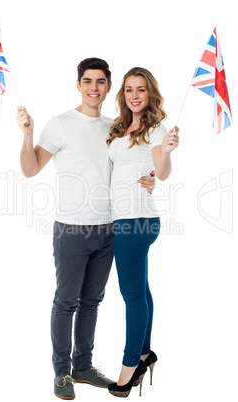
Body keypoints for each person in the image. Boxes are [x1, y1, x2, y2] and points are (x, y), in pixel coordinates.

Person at [16, 58, 156, 400]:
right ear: (78, 85)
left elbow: (130, 165)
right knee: (66, 302)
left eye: (101, 82)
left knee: (92, 300)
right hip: (71, 229)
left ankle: (83, 365)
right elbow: (31, 169)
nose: (94, 87)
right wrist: (28, 134)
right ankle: (62, 372)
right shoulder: (60, 124)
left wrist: (149, 178)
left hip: (109, 228)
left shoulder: (115, 129)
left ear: (109, 88)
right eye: (88, 81)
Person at [106, 67, 179, 397]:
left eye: (141, 89)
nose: (135, 95)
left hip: (136, 220)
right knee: (141, 291)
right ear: (123, 94)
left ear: (150, 94)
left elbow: (161, 173)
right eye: (129, 89)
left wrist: (166, 151)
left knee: (132, 295)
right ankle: (145, 353)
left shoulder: (154, 128)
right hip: (124, 219)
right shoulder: (121, 127)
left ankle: (129, 367)